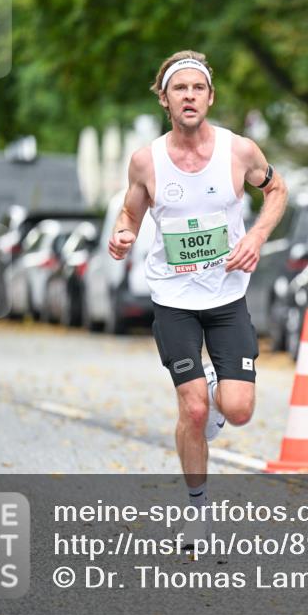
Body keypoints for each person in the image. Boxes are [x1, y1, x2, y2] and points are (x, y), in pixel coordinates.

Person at [108, 50, 287, 547]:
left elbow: (278, 191)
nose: (189, 96)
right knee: (191, 411)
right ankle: (197, 511)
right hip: (173, 298)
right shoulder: (147, 160)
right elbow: (130, 213)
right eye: (179, 89)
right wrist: (123, 235)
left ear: (210, 97)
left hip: (228, 296)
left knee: (240, 408)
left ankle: (214, 388)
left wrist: (255, 237)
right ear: (165, 100)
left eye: (198, 88)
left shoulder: (240, 152)